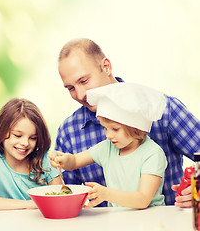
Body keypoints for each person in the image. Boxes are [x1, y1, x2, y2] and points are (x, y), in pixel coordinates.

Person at [55, 38, 200, 208]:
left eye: (84, 81)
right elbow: (65, 194)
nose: (80, 95)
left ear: (106, 67)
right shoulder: (69, 131)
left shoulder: (164, 110)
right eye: (70, 88)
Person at [50, 83, 168, 208]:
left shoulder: (152, 154)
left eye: (115, 129)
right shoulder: (107, 148)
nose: (108, 135)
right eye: (105, 128)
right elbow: (74, 161)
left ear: (136, 127)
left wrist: (105, 193)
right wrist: (63, 159)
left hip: (150, 220)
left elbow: (143, 200)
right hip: (118, 220)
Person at [0, 98, 61, 210]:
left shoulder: (45, 159)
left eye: (33, 138)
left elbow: (60, 200)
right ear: (1, 131)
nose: (25, 143)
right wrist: (29, 204)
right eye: (17, 135)